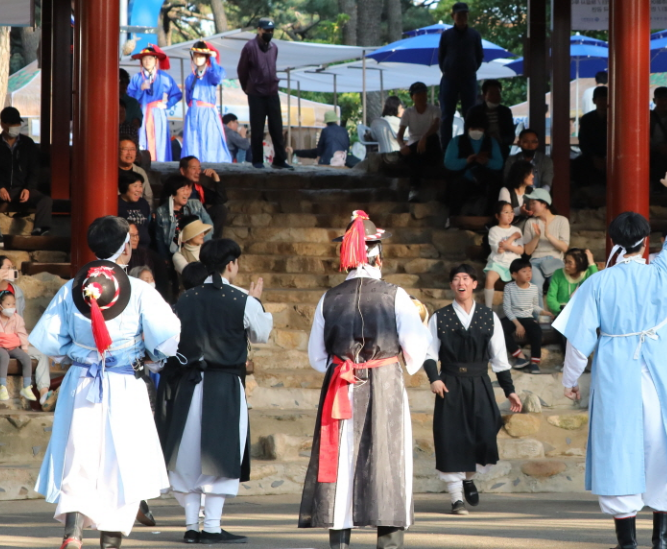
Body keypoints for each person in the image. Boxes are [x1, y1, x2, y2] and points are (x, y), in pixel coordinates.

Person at [554, 172, 667, 549]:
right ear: (646, 242)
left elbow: (578, 340)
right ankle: (663, 541)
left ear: (614, 242)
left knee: (620, 446)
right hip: (659, 369)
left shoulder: (598, 282)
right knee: (661, 443)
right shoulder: (662, 273)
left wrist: (570, 380)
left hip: (617, 373)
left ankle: (627, 543)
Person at [31, 216, 181, 549]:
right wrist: (147, 351)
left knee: (79, 454)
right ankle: (109, 541)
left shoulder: (71, 289)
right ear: (125, 247)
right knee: (123, 459)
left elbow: (49, 341)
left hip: (81, 381)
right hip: (124, 381)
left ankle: (73, 531)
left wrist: (77, 349)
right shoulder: (140, 291)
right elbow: (168, 337)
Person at [298, 210, 431, 549]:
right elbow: (416, 353)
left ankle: (339, 540)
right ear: (378, 255)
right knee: (387, 458)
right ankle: (388, 540)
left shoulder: (328, 298)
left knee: (341, 462)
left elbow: (317, 358)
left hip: (341, 386)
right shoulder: (396, 296)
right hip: (384, 384)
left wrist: (346, 362)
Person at [155, 238, 271, 544]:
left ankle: (192, 526)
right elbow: (261, 335)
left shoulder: (184, 299)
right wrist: (257, 302)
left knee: (189, 455)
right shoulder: (242, 299)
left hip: (188, 386)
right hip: (224, 385)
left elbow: (167, 342)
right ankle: (212, 527)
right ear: (231, 264)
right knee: (220, 454)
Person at [425, 263, 522, 515]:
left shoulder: (488, 317)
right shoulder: (440, 317)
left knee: (484, 432)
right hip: (450, 383)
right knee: (451, 437)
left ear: (474, 284)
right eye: (456, 278)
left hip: (480, 382)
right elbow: (429, 353)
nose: (461, 283)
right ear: (451, 285)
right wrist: (434, 378)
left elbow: (500, 359)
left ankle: (468, 477)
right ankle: (456, 497)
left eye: (466, 278)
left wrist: (509, 390)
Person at [237, 18, 292, 170]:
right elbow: (242, 70)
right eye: (266, 30)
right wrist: (247, 88)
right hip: (256, 93)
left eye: (271, 30)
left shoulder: (273, 48)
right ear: (259, 30)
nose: (269, 33)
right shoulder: (249, 47)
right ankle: (257, 160)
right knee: (257, 128)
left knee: (277, 127)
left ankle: (279, 160)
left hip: (272, 92)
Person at [2, 258, 54, 407]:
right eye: (7, 268)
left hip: (13, 343)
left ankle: (44, 394)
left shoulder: (16, 291)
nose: (12, 271)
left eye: (12, 267)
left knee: (40, 354)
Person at [437, 2, 484, 149]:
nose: (462, 18)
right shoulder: (446, 35)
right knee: (446, 117)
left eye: (464, 15)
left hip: (468, 79)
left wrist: (470, 69)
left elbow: (479, 56)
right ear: (453, 16)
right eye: (459, 15)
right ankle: (446, 149)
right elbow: (441, 57)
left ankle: (468, 147)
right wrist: (448, 69)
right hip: (449, 79)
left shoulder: (475, 35)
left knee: (469, 116)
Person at [0, 107, 52, 236]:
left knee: (45, 201)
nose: (16, 127)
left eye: (17, 124)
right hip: (2, 189)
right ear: (3, 124)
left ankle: (40, 230)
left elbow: (34, 169)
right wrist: (0, 187)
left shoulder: (27, 144)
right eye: (12, 124)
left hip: (22, 189)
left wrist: (28, 188)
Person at [442, 110, 505, 217]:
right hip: (463, 178)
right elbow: (448, 162)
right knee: (457, 185)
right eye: (473, 128)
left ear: (485, 129)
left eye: (479, 129)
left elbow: (499, 163)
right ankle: (453, 218)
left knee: (495, 185)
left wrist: (487, 162)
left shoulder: (492, 142)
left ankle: (490, 219)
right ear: (467, 128)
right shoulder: (456, 141)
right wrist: (466, 161)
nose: (476, 131)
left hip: (485, 178)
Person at [126, 45, 182, 162]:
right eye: (144, 59)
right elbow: (129, 98)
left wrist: (167, 105)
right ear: (141, 61)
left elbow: (177, 94)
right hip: (141, 113)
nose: (147, 61)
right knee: (142, 139)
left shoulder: (164, 77)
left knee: (159, 140)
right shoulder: (136, 78)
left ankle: (161, 163)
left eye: (150, 59)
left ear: (156, 60)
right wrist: (139, 90)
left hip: (158, 114)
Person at [179, 41, 232, 163]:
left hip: (207, 114)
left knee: (209, 141)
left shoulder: (211, 73)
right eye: (195, 55)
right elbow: (188, 99)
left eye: (201, 55)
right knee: (192, 143)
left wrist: (213, 59)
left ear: (206, 57)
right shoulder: (190, 78)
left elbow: (218, 77)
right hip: (193, 113)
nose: (197, 58)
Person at [501, 258, 543, 373]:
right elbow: (507, 308)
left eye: (530, 270)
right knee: (499, 329)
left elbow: (534, 306)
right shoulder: (509, 287)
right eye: (524, 271)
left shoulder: (534, 288)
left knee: (536, 331)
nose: (528, 273)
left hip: (528, 317)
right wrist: (518, 325)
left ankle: (534, 362)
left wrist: (543, 312)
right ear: (514, 274)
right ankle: (520, 356)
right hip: (513, 317)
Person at [396, 81, 442, 185]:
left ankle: (414, 188)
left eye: (423, 93)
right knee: (415, 157)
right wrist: (402, 145)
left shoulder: (435, 110)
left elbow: (436, 125)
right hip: (415, 148)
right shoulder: (408, 112)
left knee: (433, 138)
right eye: (418, 94)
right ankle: (415, 188)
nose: (421, 97)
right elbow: (400, 134)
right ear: (412, 97)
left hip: (430, 146)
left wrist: (424, 138)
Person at [521, 190, 570, 288]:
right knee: (535, 285)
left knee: (557, 286)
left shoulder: (562, 220)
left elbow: (564, 248)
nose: (531, 207)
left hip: (554, 260)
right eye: (530, 204)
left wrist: (548, 236)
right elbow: (527, 251)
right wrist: (537, 237)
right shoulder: (530, 222)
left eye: (533, 203)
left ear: (544, 203)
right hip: (535, 261)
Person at [156, 175, 213, 257]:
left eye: (189, 188)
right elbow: (159, 238)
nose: (187, 193)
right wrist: (164, 257)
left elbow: (208, 224)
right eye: (183, 189)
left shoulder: (196, 205)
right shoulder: (161, 211)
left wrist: (205, 248)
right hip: (174, 252)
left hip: (197, 250)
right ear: (172, 192)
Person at [482, 201, 524, 307]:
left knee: (523, 279)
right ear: (497, 216)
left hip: (514, 263)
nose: (510, 215)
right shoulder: (494, 231)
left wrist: (507, 245)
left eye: (511, 212)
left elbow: (521, 250)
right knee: (490, 278)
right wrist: (512, 238)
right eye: (506, 212)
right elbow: (499, 250)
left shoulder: (517, 230)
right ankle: (488, 308)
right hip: (498, 262)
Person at [0, 288, 36, 402]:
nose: (11, 307)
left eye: (13, 304)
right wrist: (7, 338)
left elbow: (22, 334)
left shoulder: (17, 319)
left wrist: (24, 347)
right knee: (4, 356)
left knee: (26, 358)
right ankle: (2, 386)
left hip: (12, 347)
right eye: (8, 304)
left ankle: (26, 386)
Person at [180, 157, 229, 240]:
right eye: (194, 168)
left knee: (220, 209)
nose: (198, 172)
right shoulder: (174, 187)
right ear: (183, 171)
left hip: (201, 220)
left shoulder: (198, 188)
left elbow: (220, 200)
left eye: (199, 168)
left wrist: (216, 180)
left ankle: (212, 245)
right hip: (182, 222)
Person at [545, 248, 597, 325]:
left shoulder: (587, 274)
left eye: (570, 263)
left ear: (580, 263)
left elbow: (596, 281)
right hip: (562, 313)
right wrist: (561, 310)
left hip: (582, 314)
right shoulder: (558, 273)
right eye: (565, 262)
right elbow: (550, 298)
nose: (566, 266)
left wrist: (591, 262)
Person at [467, 79, 515, 159]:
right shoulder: (474, 112)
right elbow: (468, 133)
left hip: (500, 148)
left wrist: (499, 138)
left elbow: (510, 135)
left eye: (498, 94)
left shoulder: (505, 112)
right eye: (492, 94)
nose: (495, 97)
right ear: (484, 95)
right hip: (478, 149)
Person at [573, 85, 609, 188]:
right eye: (601, 99)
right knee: (577, 165)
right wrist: (594, 158)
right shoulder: (586, 119)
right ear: (594, 101)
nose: (604, 102)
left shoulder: (617, 118)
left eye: (606, 98)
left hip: (613, 156)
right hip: (592, 156)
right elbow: (583, 141)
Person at [117, 170, 154, 245]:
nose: (139, 190)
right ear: (125, 186)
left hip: (144, 248)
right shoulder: (116, 203)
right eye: (135, 186)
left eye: (140, 186)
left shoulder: (143, 203)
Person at [119, 136, 155, 205]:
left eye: (132, 149)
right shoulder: (110, 171)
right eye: (125, 149)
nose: (129, 153)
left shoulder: (140, 171)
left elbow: (148, 195)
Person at [119, 68, 144, 141]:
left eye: (126, 82)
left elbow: (136, 124)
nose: (124, 85)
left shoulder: (133, 103)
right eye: (121, 81)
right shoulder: (105, 101)